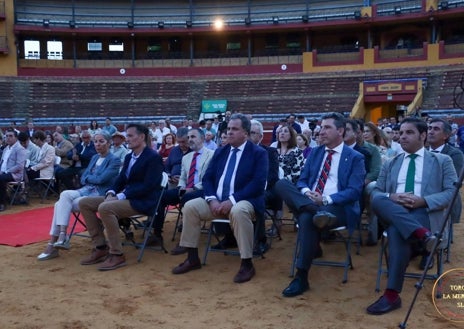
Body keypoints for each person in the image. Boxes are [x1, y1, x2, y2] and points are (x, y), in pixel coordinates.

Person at [366, 117, 456, 315]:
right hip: (394, 210)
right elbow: (377, 192)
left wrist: (423, 201)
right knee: (378, 198)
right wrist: (394, 197)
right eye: (401, 132)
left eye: (409, 133)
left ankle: (391, 295)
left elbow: (451, 193)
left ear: (422, 136)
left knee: (397, 231)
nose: (402, 136)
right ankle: (423, 236)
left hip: (424, 212)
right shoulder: (390, 163)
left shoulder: (442, 161)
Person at [274, 112, 365, 297]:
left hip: (338, 207)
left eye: (327, 127)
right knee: (281, 184)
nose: (321, 131)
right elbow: (302, 180)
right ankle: (313, 210)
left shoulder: (355, 157)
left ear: (340, 131)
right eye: (321, 127)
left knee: (307, 218)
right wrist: (308, 194)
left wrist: (325, 199)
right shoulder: (315, 152)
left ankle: (301, 276)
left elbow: (355, 191)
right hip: (310, 201)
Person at [171, 113, 268, 283]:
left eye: (234, 129)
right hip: (217, 201)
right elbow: (207, 179)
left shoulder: (258, 153)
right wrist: (212, 199)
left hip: (244, 201)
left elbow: (258, 184)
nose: (229, 132)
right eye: (228, 128)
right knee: (191, 206)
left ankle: (247, 263)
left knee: (238, 211)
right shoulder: (221, 152)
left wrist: (232, 200)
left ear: (245, 133)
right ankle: (192, 258)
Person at [78, 124, 164, 271]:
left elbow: (148, 186)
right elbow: (121, 179)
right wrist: (111, 192)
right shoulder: (130, 156)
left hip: (144, 201)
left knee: (106, 208)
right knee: (84, 203)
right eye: (127, 136)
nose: (127, 139)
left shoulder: (153, 157)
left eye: (130, 136)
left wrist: (120, 195)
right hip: (127, 197)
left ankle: (116, 254)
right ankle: (100, 246)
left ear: (142, 137)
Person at [37, 132, 121, 261]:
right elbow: (83, 178)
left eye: (101, 141)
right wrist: (92, 178)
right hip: (86, 190)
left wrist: (90, 178)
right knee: (64, 195)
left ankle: (53, 243)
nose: (97, 144)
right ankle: (62, 235)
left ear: (108, 143)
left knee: (58, 204)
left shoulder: (114, 160)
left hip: (99, 195)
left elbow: (102, 180)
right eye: (96, 141)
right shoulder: (94, 158)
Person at [153, 128, 213, 253]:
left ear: (202, 139)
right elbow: (183, 177)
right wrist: (181, 187)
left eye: (193, 137)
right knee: (160, 196)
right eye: (189, 137)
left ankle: (186, 242)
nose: (190, 140)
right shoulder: (187, 158)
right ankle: (156, 233)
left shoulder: (212, 155)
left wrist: (194, 188)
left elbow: (210, 178)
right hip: (185, 189)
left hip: (202, 189)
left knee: (187, 198)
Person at [0, 129, 27, 211]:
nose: (8, 138)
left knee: (0, 179)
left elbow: (20, 166)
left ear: (16, 138)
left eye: (11, 136)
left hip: (14, 174)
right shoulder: (5, 149)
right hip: (3, 172)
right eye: (6, 136)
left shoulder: (20, 149)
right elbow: (2, 163)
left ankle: (2, 203)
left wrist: (6, 171)